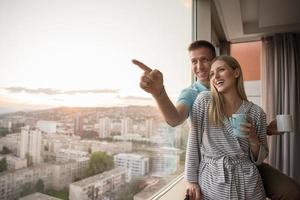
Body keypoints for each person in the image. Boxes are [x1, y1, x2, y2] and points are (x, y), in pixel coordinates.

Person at [132, 40, 300, 199]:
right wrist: (158, 92)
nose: (199, 67)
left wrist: (266, 130)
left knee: (292, 192)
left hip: (246, 166)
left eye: (205, 60)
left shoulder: (249, 106)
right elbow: (176, 120)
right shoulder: (195, 95)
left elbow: (243, 134)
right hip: (215, 170)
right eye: (194, 61)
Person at [186, 55, 268, 199]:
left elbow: (260, 159)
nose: (215, 76)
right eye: (212, 74)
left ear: (236, 72)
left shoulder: (256, 112)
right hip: (212, 183)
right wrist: (192, 181)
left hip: (248, 184)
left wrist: (253, 138)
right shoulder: (205, 102)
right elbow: (193, 142)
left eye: (221, 70)